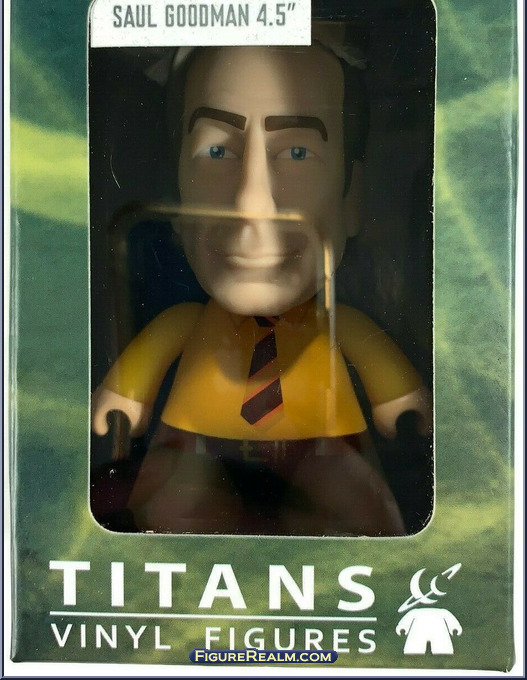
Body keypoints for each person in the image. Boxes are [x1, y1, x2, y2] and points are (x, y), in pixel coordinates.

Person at [92, 32, 432, 535]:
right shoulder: (185, 324)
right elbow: (142, 370)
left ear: (352, 199)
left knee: (359, 512)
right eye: (215, 150)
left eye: (297, 152)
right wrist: (125, 395)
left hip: (325, 443)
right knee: (170, 507)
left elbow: (381, 370)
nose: (251, 203)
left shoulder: (340, 326)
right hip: (194, 441)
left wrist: (400, 400)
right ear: (175, 196)